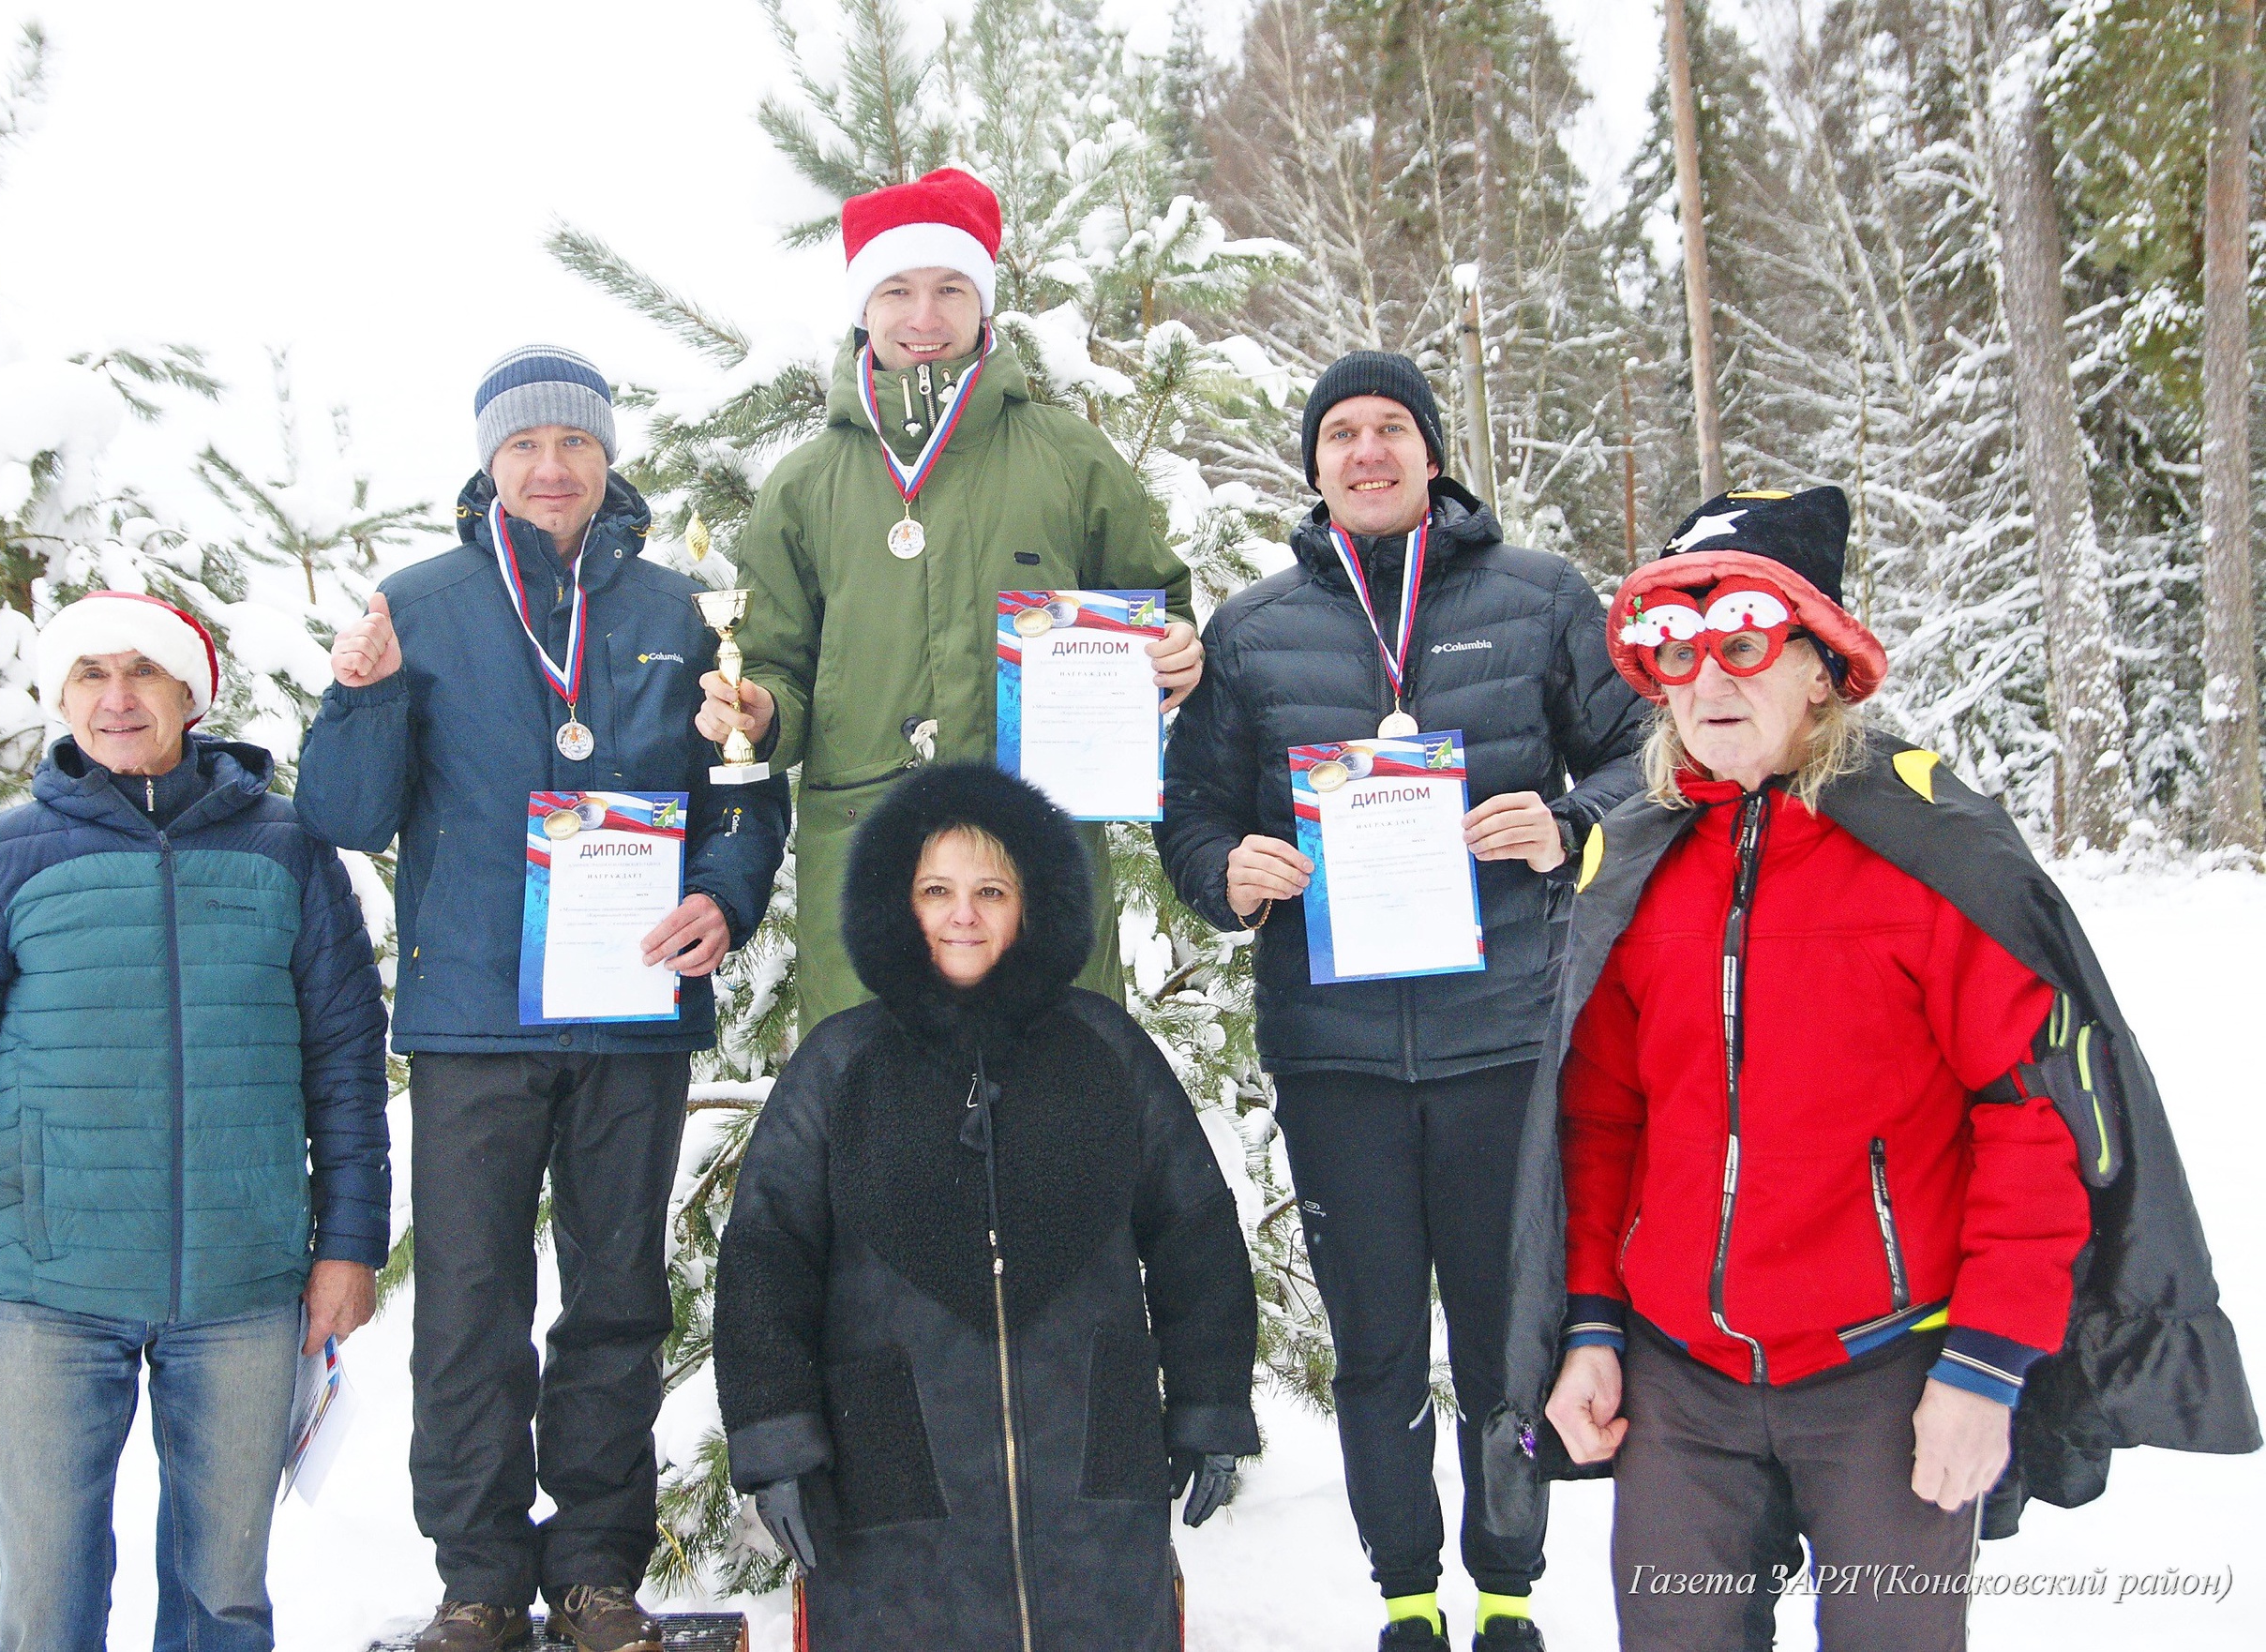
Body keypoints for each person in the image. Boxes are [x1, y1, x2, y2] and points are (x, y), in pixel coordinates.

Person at [1497, 487, 2260, 1649]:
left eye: (1744, 644)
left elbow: (2029, 1116)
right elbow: (1600, 1122)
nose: (1707, 684)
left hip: (1887, 1374)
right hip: (1678, 1383)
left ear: (1822, 665)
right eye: (1673, 652)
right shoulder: (1638, 859)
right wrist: (1594, 1324)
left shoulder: (1928, 853)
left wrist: (1988, 1364)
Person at [295, 346, 788, 1652]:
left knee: (618, 1294)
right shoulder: (421, 602)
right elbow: (344, 816)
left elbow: (742, 798)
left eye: (574, 443)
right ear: (489, 460)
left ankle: (597, 1573)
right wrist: (356, 697)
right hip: (475, 1016)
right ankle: (476, 1578)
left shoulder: (686, 612)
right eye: (525, 446)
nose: (552, 467)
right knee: (468, 1300)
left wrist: (725, 900)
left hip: (629, 1006)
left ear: (607, 457)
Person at [1153, 352, 1644, 1651]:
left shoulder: (1539, 600)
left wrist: (1564, 822)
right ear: (1311, 466)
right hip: (1338, 1055)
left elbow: (1646, 764)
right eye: (1341, 435)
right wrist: (1230, 872)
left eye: (1391, 430)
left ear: (1432, 453)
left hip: (1501, 1038)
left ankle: (1508, 1590)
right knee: (1374, 1345)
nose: (1367, 453)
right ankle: (1408, 1594)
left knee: (1500, 1342)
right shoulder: (1253, 634)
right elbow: (1192, 817)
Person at [0, 591, 391, 1652]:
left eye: (143, 672)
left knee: (224, 1598)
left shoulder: (287, 852)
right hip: (47, 1294)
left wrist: (347, 1244)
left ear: (190, 694)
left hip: (242, 1289)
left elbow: (343, 1065)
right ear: (60, 697)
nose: (116, 698)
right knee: (44, 1599)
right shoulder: (0, 859)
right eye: (88, 675)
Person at [712, 763, 1260, 1650]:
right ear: (900, 903)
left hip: (1095, 1490)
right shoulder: (840, 1064)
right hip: (891, 1495)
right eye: (937, 890)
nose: (963, 914)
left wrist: (1209, 1403)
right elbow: (766, 1254)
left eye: (990, 890)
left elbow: (1195, 1226)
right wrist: (773, 1436)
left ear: (1030, 904)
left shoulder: (1104, 1048)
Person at [694, 166, 1204, 1032]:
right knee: (879, 1119)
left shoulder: (1068, 457)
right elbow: (777, 664)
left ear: (983, 303)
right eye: (896, 289)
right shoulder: (805, 484)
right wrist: (760, 709)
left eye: (948, 288)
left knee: (1054, 1109)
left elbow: (1156, 605)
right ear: (864, 305)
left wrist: (1176, 653)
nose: (923, 317)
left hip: (1037, 848)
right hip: (866, 852)